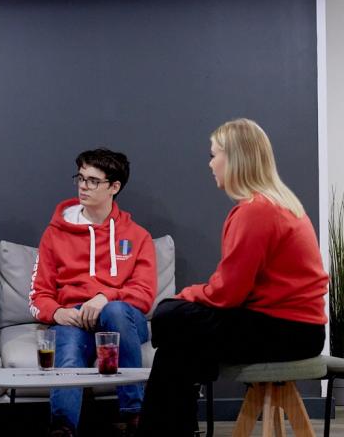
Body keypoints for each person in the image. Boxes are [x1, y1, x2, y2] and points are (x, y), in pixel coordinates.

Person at [137, 118, 329, 436]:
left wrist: (185, 296)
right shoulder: (275, 204)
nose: (210, 163)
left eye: (214, 155)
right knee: (176, 339)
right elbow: (232, 289)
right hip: (297, 328)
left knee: (171, 317)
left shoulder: (256, 211)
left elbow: (227, 294)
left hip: (285, 330)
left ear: (234, 158)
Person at [30, 148, 158, 437]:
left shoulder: (137, 236)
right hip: (75, 316)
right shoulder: (55, 233)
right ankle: (63, 427)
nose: (83, 186)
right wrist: (58, 312)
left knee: (114, 311)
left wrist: (106, 297)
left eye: (92, 181)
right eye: (80, 178)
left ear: (114, 187)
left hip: (122, 317)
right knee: (67, 342)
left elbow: (145, 294)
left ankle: (133, 417)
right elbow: (39, 294)